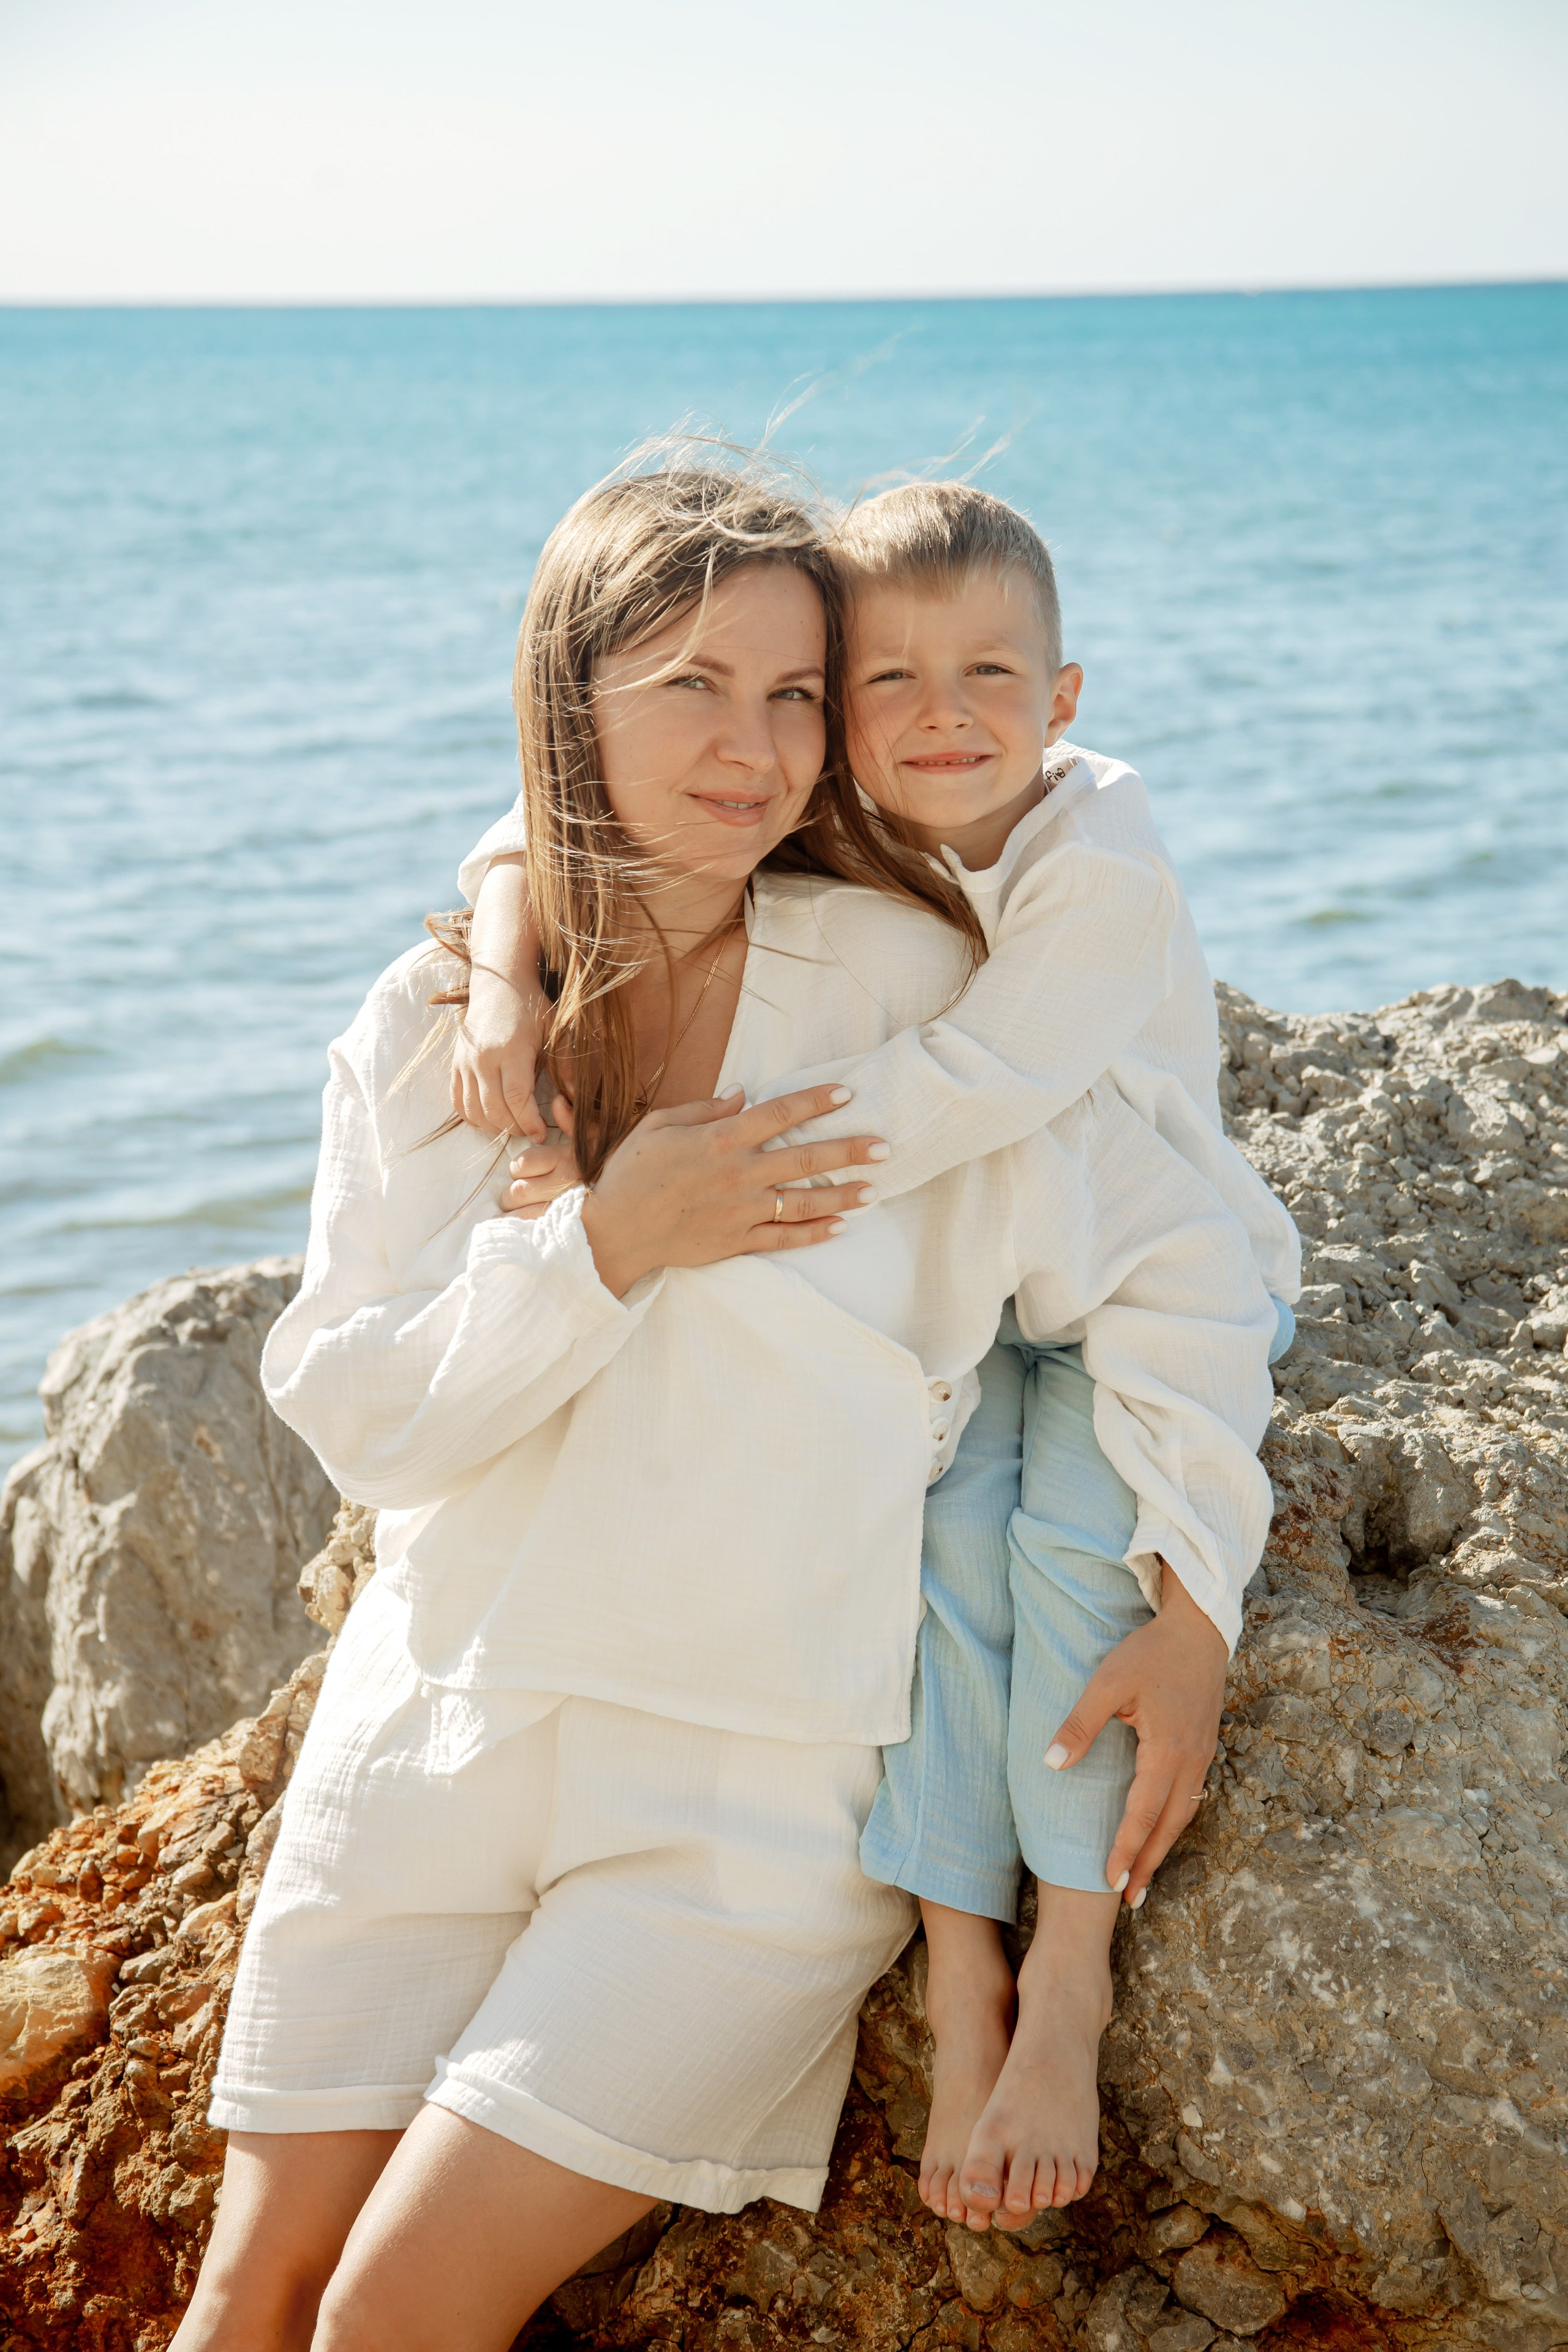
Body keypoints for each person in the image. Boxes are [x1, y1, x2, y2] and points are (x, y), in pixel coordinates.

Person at [177, 461, 1276, 2352]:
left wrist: (1196, 1596)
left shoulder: (917, 995)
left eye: (793, 695)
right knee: (247, 2293)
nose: (755, 746)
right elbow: (368, 1417)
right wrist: (605, 1245)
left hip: (744, 1802)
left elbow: (1167, 1261)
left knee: (386, 2319)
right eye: (694, 684)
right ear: (568, 700)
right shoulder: (444, 1022)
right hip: (433, 1729)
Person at [450, 480, 1300, 2234]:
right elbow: (537, 820)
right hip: (986, 1286)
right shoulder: (839, 794)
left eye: (990, 672)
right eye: (884, 678)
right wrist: (501, 981)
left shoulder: (1101, 860)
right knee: (930, 1565)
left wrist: (669, 1162)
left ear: (1067, 702)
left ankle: (1066, 1969)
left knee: (1081, 1569)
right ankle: (957, 1949)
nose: (938, 715)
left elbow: (973, 1089)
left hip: (1142, 1279)